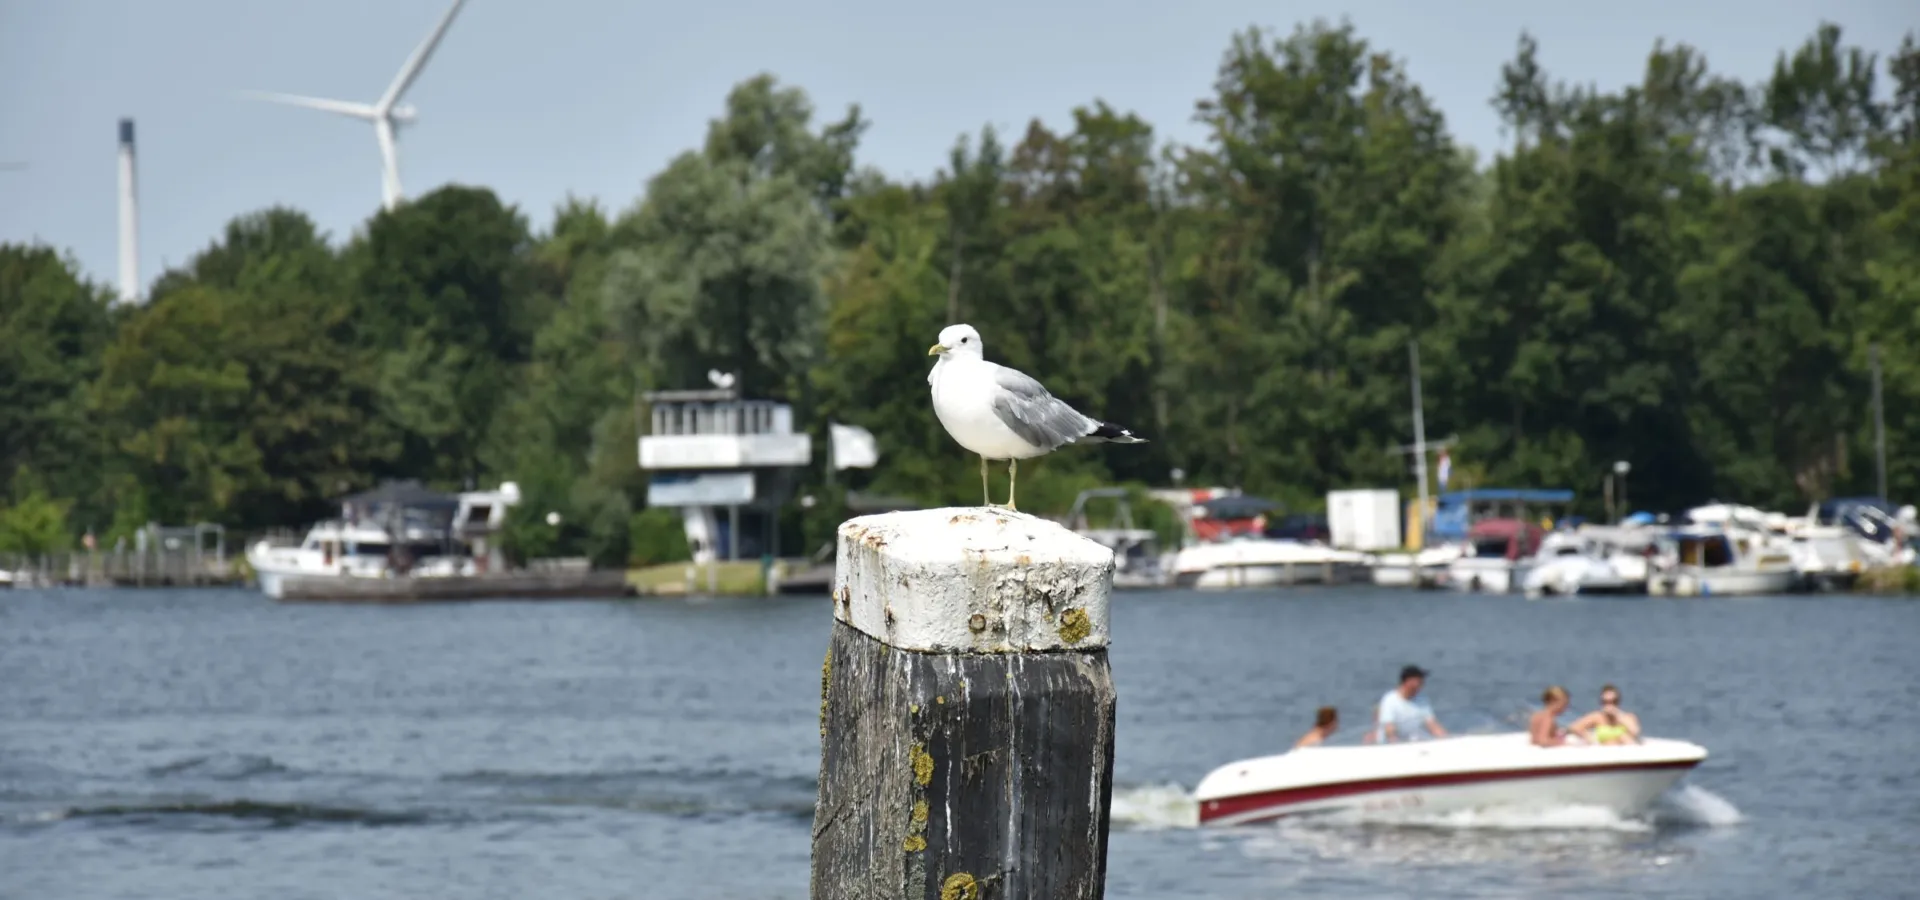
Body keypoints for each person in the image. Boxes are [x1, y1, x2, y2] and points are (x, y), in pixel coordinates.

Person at [1370, 665, 1448, 743]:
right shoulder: (1390, 700)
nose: (1422, 684)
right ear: (1409, 682)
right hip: (1392, 746)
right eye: (1419, 681)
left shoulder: (1422, 699)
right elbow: (1390, 730)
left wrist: (1446, 740)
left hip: (1414, 741)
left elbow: (1432, 724)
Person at [1571, 684, 1643, 745]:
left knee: (1624, 737)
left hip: (1624, 752)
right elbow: (1574, 727)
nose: (1609, 705)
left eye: (1613, 701)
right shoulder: (1597, 717)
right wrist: (1587, 736)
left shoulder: (1627, 716)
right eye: (1605, 702)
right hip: (1606, 752)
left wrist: (1618, 716)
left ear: (1618, 702)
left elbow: (1635, 732)